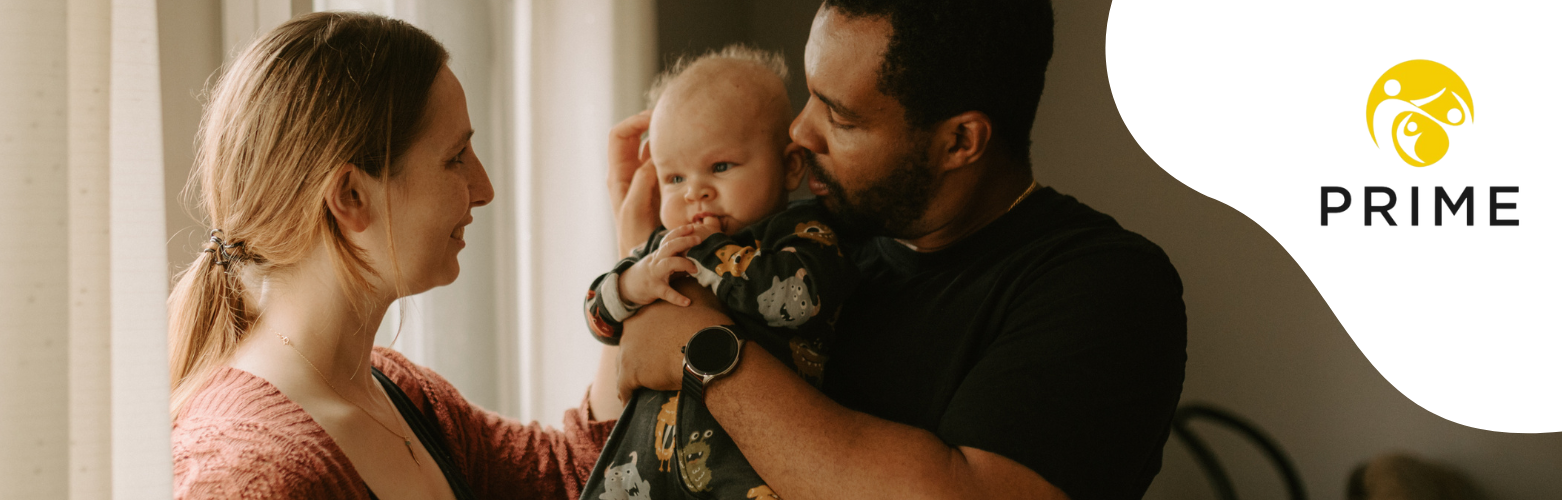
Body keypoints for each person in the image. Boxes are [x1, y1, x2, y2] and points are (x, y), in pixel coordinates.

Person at [606, 1, 1188, 499]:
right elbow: (616, 430)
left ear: (959, 140)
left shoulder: (1102, 285)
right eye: (809, 95)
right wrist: (641, 256)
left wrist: (705, 354)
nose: (799, 133)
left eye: (839, 116)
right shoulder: (810, 242)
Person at [168, 12, 613, 499]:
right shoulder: (247, 479)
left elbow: (575, 479)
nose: (483, 189)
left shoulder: (403, 393)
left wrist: (635, 267)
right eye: (456, 157)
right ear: (351, 196)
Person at [578, 46, 858, 499]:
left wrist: (707, 256)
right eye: (674, 179)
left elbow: (794, 302)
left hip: (748, 466)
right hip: (645, 469)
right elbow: (597, 315)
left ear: (790, 167)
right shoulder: (660, 248)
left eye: (720, 167)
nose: (696, 194)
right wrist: (633, 281)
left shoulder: (803, 236)